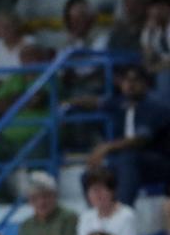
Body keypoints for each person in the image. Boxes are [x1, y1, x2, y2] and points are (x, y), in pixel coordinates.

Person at [67, 67, 170, 205]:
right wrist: (69, 102)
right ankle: (97, 217)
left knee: (128, 158)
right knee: (91, 175)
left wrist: (107, 147)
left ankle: (123, 211)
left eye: (135, 80)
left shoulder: (155, 106)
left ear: (146, 84)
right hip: (126, 163)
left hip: (158, 162)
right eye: (126, 80)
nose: (130, 84)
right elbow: (97, 102)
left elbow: (141, 140)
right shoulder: (121, 102)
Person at [75, 167, 140, 235]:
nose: (97, 195)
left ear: (112, 191)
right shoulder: (86, 217)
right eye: (93, 190)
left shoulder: (127, 216)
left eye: (101, 189)